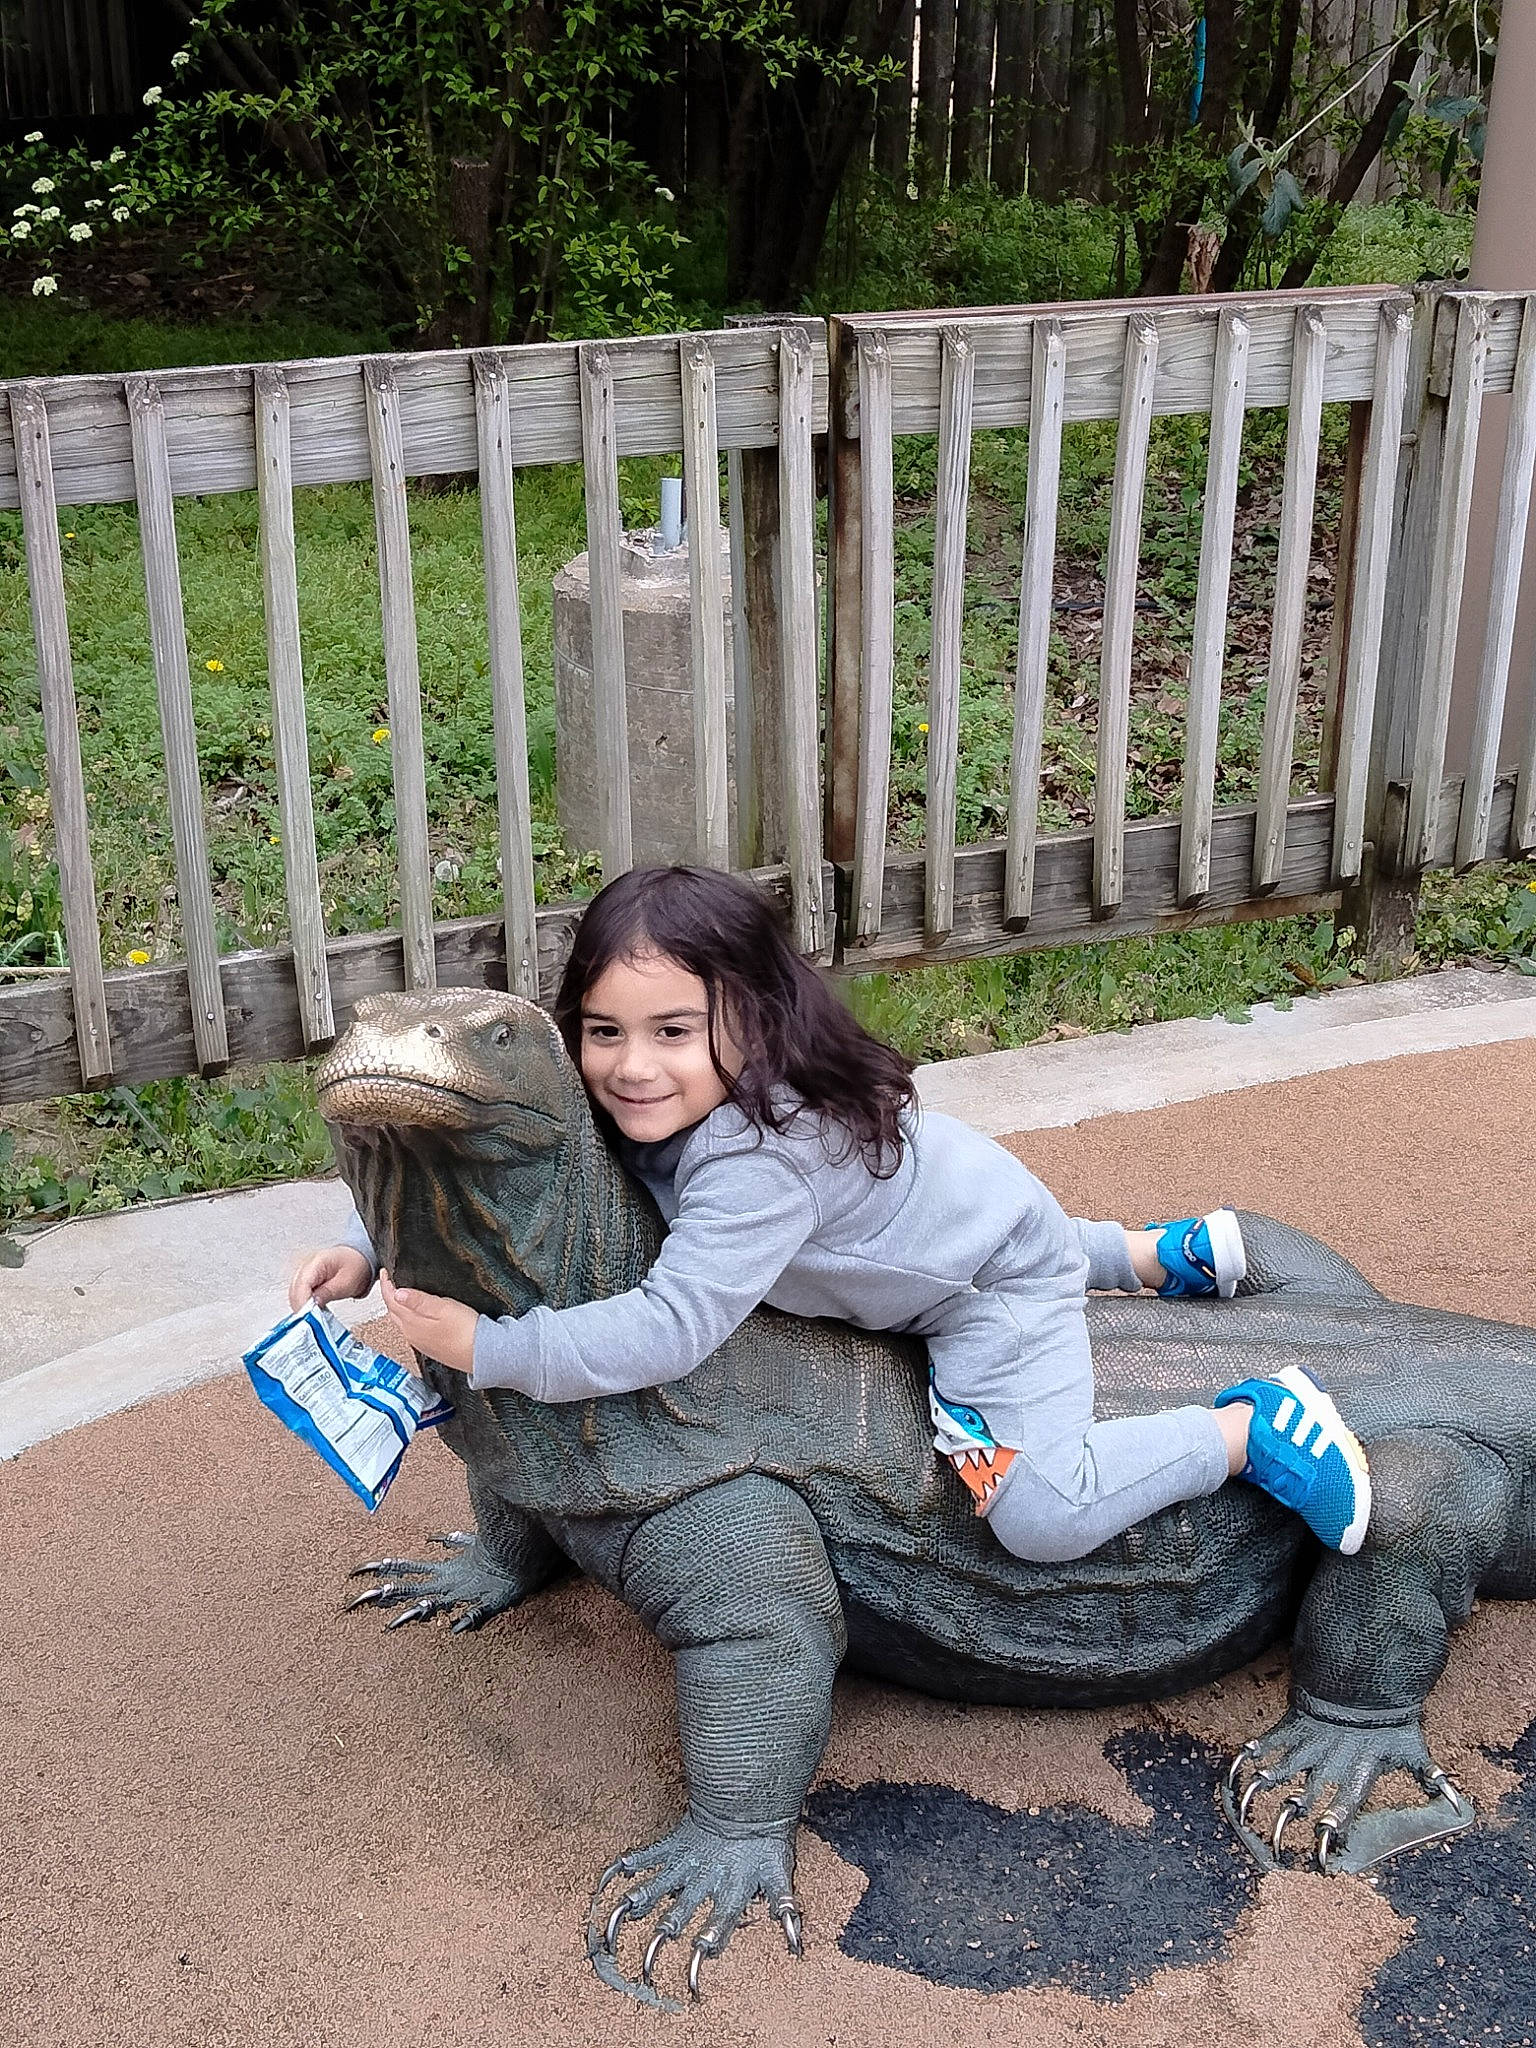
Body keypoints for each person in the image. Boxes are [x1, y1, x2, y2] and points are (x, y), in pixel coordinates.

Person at [292, 865, 1370, 1564]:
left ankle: (1249, 1426)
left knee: (1040, 1513)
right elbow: (514, 1161)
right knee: (992, 1233)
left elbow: (672, 1326)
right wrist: (363, 1244)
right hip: (936, 1202)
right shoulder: (638, 1092)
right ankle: (1154, 1253)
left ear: (751, 1023)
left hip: (980, 1275)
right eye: (603, 1030)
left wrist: (494, 1345)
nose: (631, 1066)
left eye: (673, 1029)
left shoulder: (754, 1165)